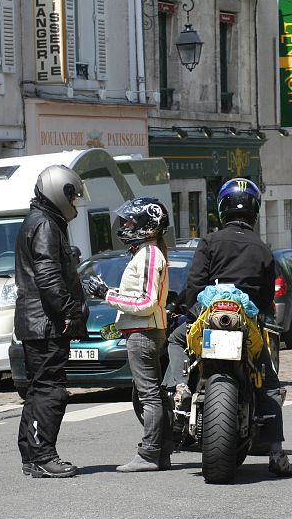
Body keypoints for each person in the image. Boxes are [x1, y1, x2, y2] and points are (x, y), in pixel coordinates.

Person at [170, 177, 292, 477]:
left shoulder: (209, 242)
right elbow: (266, 297)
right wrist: (259, 315)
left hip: (211, 317)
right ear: (254, 211)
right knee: (268, 381)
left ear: (222, 209)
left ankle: (180, 386)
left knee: (175, 339)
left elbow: (195, 284)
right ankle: (276, 452)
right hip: (245, 323)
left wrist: (189, 313)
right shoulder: (263, 248)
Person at [86, 197, 173, 472]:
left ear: (146, 225)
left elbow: (146, 302)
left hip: (143, 332)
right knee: (153, 394)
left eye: (129, 222)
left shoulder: (149, 254)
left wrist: (107, 295)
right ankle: (161, 453)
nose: (124, 226)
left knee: (149, 396)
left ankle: (149, 454)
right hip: (144, 331)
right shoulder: (146, 252)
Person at [15, 165, 88, 478]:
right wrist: (69, 311)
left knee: (38, 389)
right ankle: (43, 456)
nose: (74, 203)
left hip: (36, 322)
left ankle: (32, 456)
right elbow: (48, 275)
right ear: (60, 191)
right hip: (45, 323)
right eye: (72, 196)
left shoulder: (39, 220)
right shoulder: (45, 224)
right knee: (50, 390)